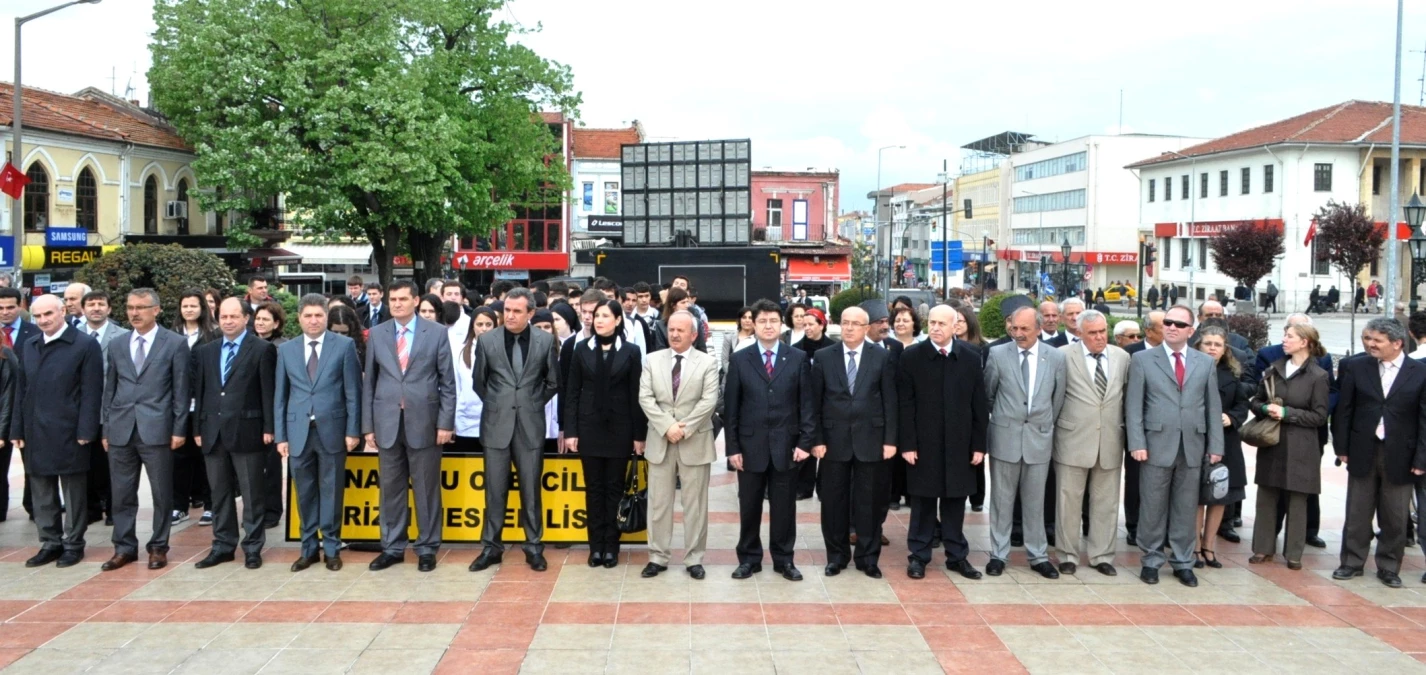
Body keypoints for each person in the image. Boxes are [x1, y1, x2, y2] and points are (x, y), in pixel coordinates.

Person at [362, 280, 457, 573]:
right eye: (393, 299)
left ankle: (427, 547)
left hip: (425, 423)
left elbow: (448, 383)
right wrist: (368, 426)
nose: (397, 304)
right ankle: (392, 547)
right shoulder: (377, 334)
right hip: (387, 422)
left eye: (403, 299)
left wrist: (445, 423)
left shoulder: (437, 333)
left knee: (427, 489)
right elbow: (369, 384)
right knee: (390, 490)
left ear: (416, 301)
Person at [1126, 305, 1223, 587]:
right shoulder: (1143, 360)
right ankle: (1152, 560)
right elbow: (1133, 406)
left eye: (1179, 324)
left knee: (1185, 506)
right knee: (1153, 506)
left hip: (1192, 444)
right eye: (1167, 322)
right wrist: (1137, 442)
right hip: (1155, 445)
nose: (1171, 327)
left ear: (1191, 332)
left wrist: (1215, 445)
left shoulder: (1204, 363)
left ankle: (1183, 562)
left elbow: (1212, 406)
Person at [724, 299, 815, 581]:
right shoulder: (740, 359)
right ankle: (749, 558)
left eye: (773, 321)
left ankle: (784, 559)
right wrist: (732, 448)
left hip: (786, 447)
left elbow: (807, 405)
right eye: (762, 321)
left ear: (781, 324)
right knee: (749, 505)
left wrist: (805, 442)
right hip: (750, 448)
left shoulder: (797, 358)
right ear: (753, 324)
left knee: (784, 507)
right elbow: (731, 408)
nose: (767, 326)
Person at [101, 288, 191, 571]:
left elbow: (181, 390)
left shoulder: (175, 343)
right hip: (120, 429)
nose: (134, 313)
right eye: (129, 307)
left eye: (141, 307)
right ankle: (124, 547)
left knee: (162, 492)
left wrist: (179, 429)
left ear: (156, 310)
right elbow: (110, 389)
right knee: (122, 493)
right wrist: (106, 429)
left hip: (158, 428)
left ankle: (158, 547)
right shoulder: (117, 344)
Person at [471, 287, 560, 572]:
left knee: (531, 492)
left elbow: (553, 381)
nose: (509, 315)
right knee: (494, 491)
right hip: (496, 426)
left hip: (530, 425)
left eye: (517, 311)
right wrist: (499, 404)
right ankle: (491, 548)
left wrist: (531, 403)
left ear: (530, 313)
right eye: (507, 310)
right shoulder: (487, 341)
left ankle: (534, 548)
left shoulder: (545, 341)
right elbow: (479, 383)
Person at [1332, 318, 1426, 588]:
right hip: (1363, 449)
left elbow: (1424, 419)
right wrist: (1342, 448)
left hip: (1402, 454)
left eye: (1377, 340)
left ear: (1397, 343)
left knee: (1395, 515)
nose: (1370, 344)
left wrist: (1421, 459)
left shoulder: (1419, 372)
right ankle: (1351, 562)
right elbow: (1344, 411)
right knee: (1358, 511)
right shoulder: (1357, 367)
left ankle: (1388, 566)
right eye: (1368, 338)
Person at [808, 306, 898, 578]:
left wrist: (890, 440)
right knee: (834, 503)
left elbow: (890, 401)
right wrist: (817, 439)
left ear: (866, 327)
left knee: (868, 503)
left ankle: (868, 559)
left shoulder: (881, 357)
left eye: (855, 324)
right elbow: (814, 401)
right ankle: (836, 557)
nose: (848, 328)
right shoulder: (824, 357)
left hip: (871, 441)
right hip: (834, 443)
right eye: (844, 323)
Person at [274, 295, 362, 572]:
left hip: (333, 430)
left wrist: (353, 430)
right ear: (299, 318)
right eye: (308, 316)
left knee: (332, 491)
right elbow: (280, 396)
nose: (313, 320)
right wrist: (281, 436)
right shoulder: (286, 350)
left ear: (326, 317)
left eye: (318, 316)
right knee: (304, 493)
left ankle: (332, 548)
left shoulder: (344, 346)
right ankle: (308, 548)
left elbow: (353, 393)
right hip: (298, 431)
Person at [899, 305, 987, 580]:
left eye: (942, 323)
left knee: (954, 503)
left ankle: (957, 556)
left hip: (960, 445)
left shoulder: (970, 357)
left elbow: (979, 405)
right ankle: (919, 556)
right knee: (923, 504)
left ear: (954, 326)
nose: (936, 328)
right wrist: (908, 444)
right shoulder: (912, 356)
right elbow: (905, 404)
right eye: (932, 322)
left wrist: (979, 445)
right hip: (923, 445)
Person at [191, 298, 278, 570]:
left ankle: (252, 547)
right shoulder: (206, 351)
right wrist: (196, 428)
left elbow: (268, 392)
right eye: (223, 316)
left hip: (248, 431)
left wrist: (269, 428)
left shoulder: (262, 350)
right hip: (212, 431)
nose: (228, 321)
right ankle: (223, 545)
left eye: (233, 316)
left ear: (246, 318)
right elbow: (200, 392)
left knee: (252, 494)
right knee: (219, 493)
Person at [13, 295, 97, 567]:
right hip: (36, 429)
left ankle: (73, 544)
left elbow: (91, 392)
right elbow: (21, 390)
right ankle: (50, 542)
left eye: (48, 314)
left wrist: (86, 429)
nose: (43, 320)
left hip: (70, 430)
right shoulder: (30, 345)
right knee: (41, 491)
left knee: (73, 492)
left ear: (63, 312)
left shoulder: (84, 344)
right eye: (37, 316)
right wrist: (17, 428)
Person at [563, 300, 647, 568]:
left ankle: (612, 547)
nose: (598, 320)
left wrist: (639, 435)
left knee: (614, 489)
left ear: (618, 320)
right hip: (588, 428)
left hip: (620, 430)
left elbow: (637, 396)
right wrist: (571, 431)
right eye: (595, 315)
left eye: (604, 316)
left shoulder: (631, 352)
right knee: (593, 490)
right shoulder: (581, 350)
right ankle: (595, 547)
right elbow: (572, 393)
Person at [984, 307, 1066, 579]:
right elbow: (989, 394)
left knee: (1035, 502)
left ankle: (1038, 555)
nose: (1018, 334)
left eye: (1024, 329)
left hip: (1039, 439)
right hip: (1005, 437)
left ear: (1039, 329)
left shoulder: (1055, 357)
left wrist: (1041, 424)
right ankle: (998, 554)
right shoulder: (997, 354)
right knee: (1001, 501)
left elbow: (1057, 399)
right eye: (1014, 328)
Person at [637, 311, 720, 579]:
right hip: (660, 440)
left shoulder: (707, 363)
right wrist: (667, 426)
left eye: (681, 330)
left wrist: (683, 429)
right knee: (659, 504)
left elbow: (709, 401)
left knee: (695, 505)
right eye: (671, 329)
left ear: (694, 335)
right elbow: (645, 397)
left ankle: (694, 558)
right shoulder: (652, 360)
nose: (674, 334)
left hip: (694, 440)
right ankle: (657, 556)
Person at [1052, 309, 1129, 577]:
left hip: (1109, 440)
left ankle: (1102, 555)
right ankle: (1067, 555)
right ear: (1079, 333)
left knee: (1106, 503)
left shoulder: (1122, 357)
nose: (1099, 337)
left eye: (1103, 332)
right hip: (1072, 439)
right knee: (1068, 502)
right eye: (1093, 333)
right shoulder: (1062, 356)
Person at [1247, 324, 1329, 571]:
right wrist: (1263, 409)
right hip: (1272, 442)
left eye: (1289, 336)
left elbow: (1319, 416)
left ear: (1304, 342)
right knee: (1267, 496)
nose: (1284, 340)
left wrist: (1286, 413)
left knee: (1297, 499)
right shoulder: (1274, 369)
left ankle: (1294, 553)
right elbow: (1257, 401)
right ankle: (1262, 548)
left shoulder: (1318, 376)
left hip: (1302, 446)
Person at [1193, 325, 1250, 569]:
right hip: (1196, 440)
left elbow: (1241, 405)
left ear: (1224, 348)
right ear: (1199, 345)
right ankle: (1194, 547)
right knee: (1196, 498)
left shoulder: (1232, 372)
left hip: (1226, 442)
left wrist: (1232, 418)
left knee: (1219, 496)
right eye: (1208, 344)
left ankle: (1209, 547)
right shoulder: (1191, 368)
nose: (1213, 349)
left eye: (1218, 345)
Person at [171, 290, 217, 528]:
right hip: (178, 407)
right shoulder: (171, 335)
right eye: (185, 305)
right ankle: (179, 506)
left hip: (204, 405)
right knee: (178, 459)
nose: (189, 309)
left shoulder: (213, 334)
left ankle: (211, 506)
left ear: (202, 308)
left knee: (205, 458)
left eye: (193, 305)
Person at [80, 290, 123, 526]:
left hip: (114, 410)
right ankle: (91, 508)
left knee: (114, 463)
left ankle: (115, 508)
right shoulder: (72, 335)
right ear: (83, 309)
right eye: (91, 304)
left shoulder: (123, 336)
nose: (96, 308)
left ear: (109, 308)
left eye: (100, 304)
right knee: (87, 462)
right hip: (83, 410)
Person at [0, 287, 40, 519]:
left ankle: (34, 508)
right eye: (1, 308)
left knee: (32, 466)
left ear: (20, 306)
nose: (5, 312)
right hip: (4, 410)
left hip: (29, 410)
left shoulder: (34, 332)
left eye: (10, 307)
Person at [449, 307, 497, 454]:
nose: (484, 329)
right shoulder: (460, 352)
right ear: (472, 326)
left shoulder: (502, 351)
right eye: (479, 324)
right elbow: (455, 387)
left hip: (495, 421)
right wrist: (452, 421)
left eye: (488, 325)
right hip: (466, 420)